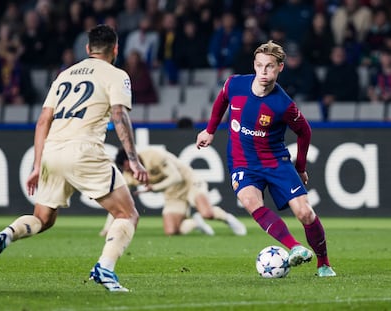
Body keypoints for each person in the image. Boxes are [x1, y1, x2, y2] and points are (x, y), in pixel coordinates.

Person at [0, 24, 148, 292]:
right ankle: (105, 268)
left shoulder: (64, 75)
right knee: (128, 214)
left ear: (87, 49)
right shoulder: (116, 75)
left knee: (43, 218)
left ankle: (4, 235)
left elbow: (43, 120)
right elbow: (118, 114)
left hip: (52, 152)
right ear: (115, 49)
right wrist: (134, 160)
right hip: (85, 150)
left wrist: (37, 164)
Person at [196, 40, 336, 277]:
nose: (263, 71)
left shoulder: (283, 104)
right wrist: (210, 130)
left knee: (304, 213)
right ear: (254, 64)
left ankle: (323, 263)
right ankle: (294, 247)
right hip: (243, 163)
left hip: (275, 161)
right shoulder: (235, 84)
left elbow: (305, 131)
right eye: (259, 65)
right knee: (251, 201)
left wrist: (300, 167)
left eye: (270, 66)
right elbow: (221, 101)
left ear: (280, 67)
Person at [99, 147, 247, 237]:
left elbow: (176, 177)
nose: (131, 171)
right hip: (172, 192)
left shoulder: (154, 155)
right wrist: (107, 228)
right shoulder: (129, 176)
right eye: (127, 170)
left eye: (130, 167)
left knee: (207, 213)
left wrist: (154, 188)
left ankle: (228, 219)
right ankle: (194, 222)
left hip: (188, 181)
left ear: (134, 158)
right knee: (171, 230)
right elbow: (119, 202)